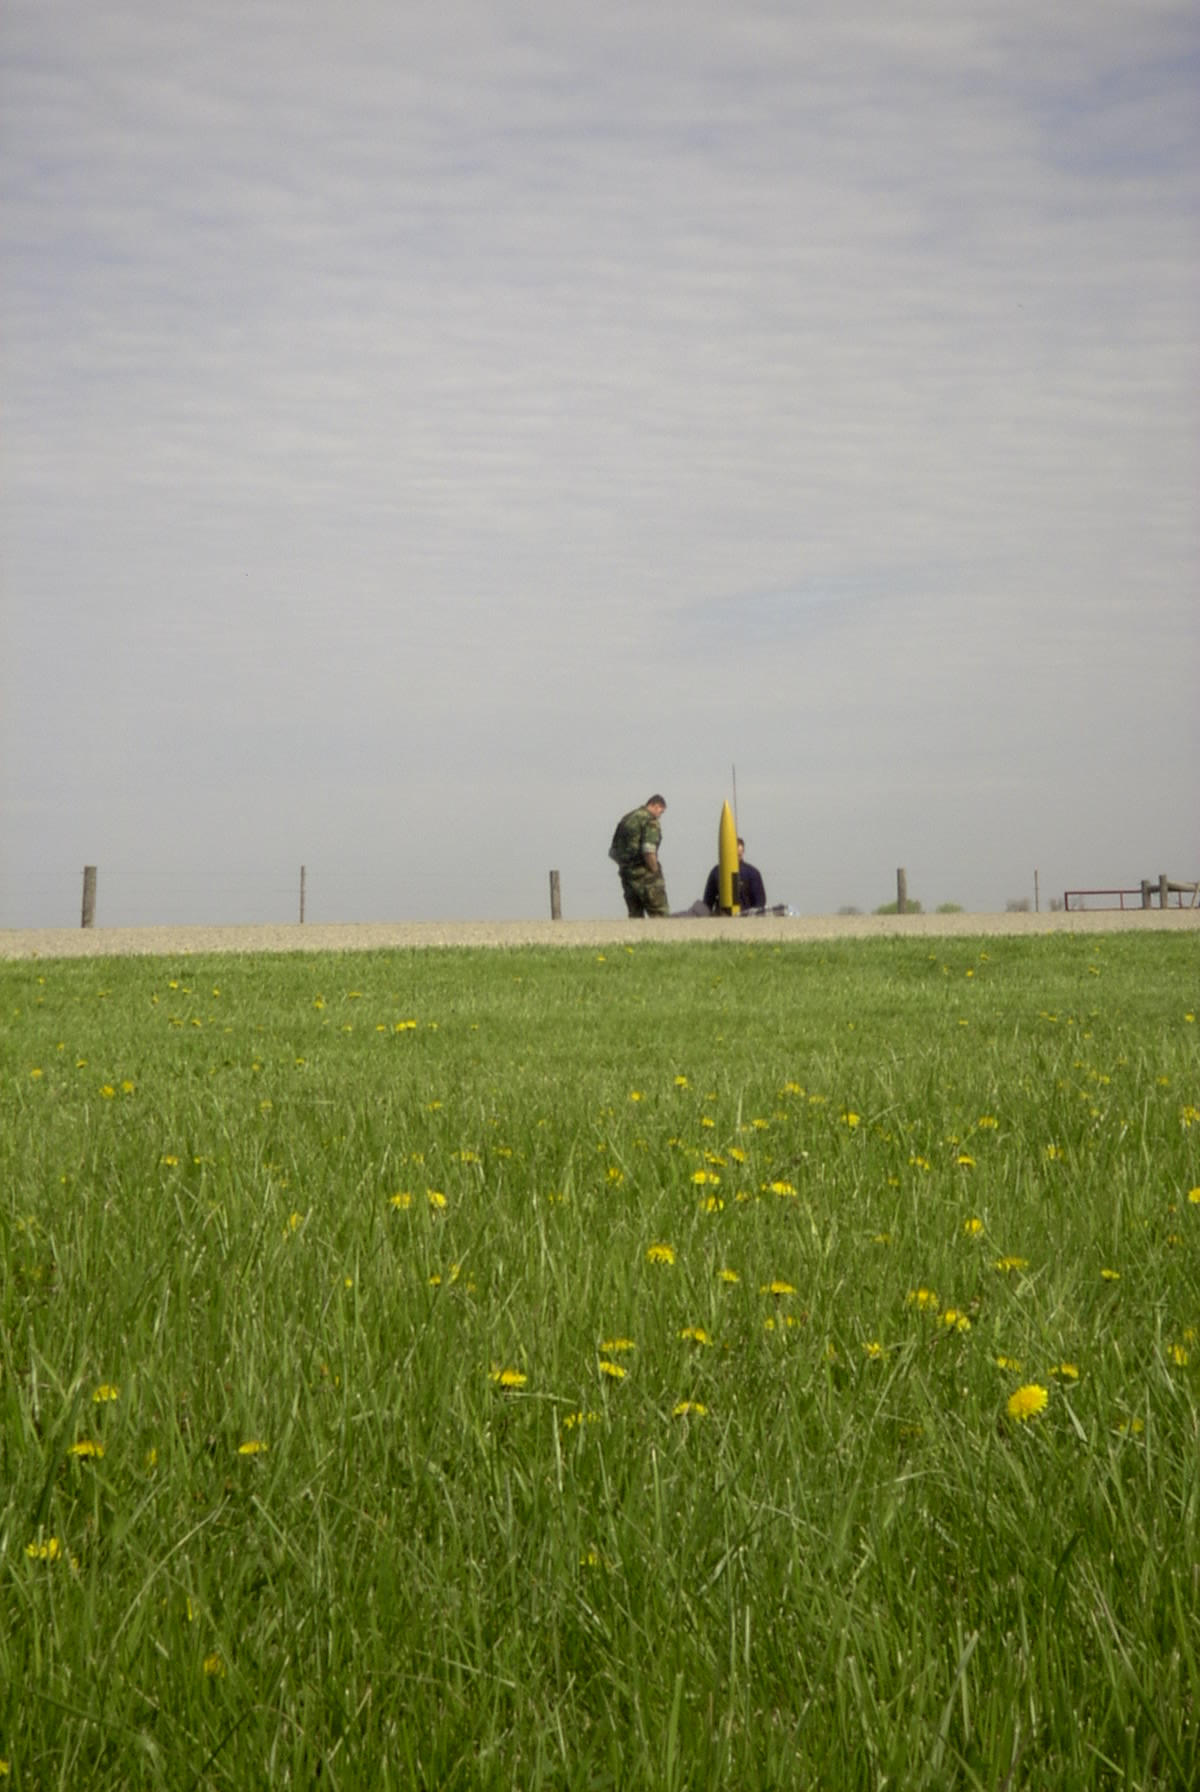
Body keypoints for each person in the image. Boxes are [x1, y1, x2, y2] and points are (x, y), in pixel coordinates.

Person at [609, 794, 669, 917]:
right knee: (660, 915)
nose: (660, 816)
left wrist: (627, 866)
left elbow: (613, 852)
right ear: (656, 806)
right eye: (661, 812)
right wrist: (654, 870)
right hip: (646, 877)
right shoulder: (650, 821)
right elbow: (648, 850)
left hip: (627, 876)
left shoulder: (627, 819)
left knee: (635, 916)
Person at [703, 837, 766, 912]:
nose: (736, 856)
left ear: (743, 852)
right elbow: (707, 902)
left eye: (739, 854)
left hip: (744, 916)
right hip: (722, 916)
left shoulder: (752, 873)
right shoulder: (716, 872)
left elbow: (760, 903)